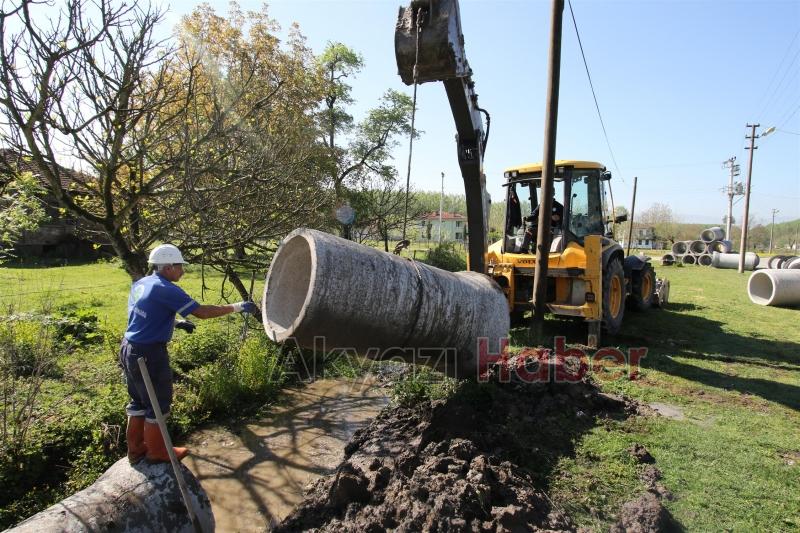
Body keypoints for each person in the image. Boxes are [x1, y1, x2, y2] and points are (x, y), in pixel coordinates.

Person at [119, 244, 258, 464]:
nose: (183, 271)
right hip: (149, 353)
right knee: (159, 403)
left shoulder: (142, 283)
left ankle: (136, 451)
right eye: (179, 267)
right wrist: (237, 306)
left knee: (138, 402)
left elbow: (141, 316)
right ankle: (157, 452)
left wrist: (175, 322)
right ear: (167, 267)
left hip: (129, 347)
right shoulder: (166, 288)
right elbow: (202, 312)